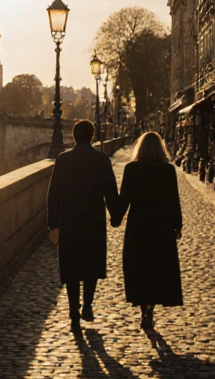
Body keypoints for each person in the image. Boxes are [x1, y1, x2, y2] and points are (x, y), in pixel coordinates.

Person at [47, 119, 118, 332]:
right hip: (93, 220)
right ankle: (87, 305)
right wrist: (115, 215)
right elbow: (110, 192)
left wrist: (53, 225)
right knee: (91, 264)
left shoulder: (63, 160)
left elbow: (54, 195)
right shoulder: (102, 160)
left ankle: (73, 309)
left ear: (74, 136)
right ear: (92, 136)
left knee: (71, 266)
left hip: (70, 219)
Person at [111, 132, 184, 333]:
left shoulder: (132, 169)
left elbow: (125, 198)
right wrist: (177, 225)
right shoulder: (167, 170)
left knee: (139, 266)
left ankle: (144, 308)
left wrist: (116, 217)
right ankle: (150, 307)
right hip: (161, 226)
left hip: (138, 225)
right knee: (156, 267)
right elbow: (173, 200)